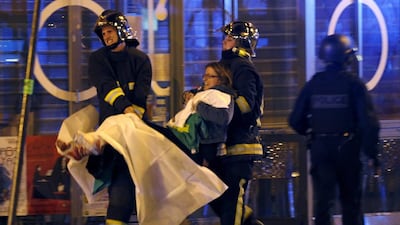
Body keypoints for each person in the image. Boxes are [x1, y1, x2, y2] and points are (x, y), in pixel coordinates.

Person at [56, 62, 234, 225]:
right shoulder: (203, 94)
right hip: (176, 137)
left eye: (209, 76)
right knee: (124, 126)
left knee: (127, 122)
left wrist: (197, 102)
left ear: (221, 79)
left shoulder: (220, 95)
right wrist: (194, 97)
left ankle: (91, 145)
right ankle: (90, 147)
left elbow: (221, 118)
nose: (204, 79)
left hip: (184, 143)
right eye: (204, 75)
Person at [288, 34, 381, 225]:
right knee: (351, 203)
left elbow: (295, 119)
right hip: (348, 148)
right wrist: (372, 154)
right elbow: (368, 122)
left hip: (320, 148)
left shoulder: (314, 83)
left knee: (323, 203)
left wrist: (313, 133)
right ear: (346, 57)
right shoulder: (354, 84)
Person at [86, 9, 152, 225]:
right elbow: (107, 87)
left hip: (137, 136)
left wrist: (134, 118)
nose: (106, 36)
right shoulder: (98, 60)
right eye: (103, 33)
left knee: (152, 196)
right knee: (120, 194)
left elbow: (141, 97)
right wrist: (127, 110)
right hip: (112, 138)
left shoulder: (141, 60)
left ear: (122, 31)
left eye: (109, 31)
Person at [206, 21, 265, 225]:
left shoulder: (243, 68)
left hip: (241, 145)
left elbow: (247, 106)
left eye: (229, 38)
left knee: (232, 204)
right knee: (215, 194)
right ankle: (248, 220)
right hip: (224, 146)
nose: (223, 41)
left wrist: (222, 104)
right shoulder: (226, 67)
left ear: (241, 43)